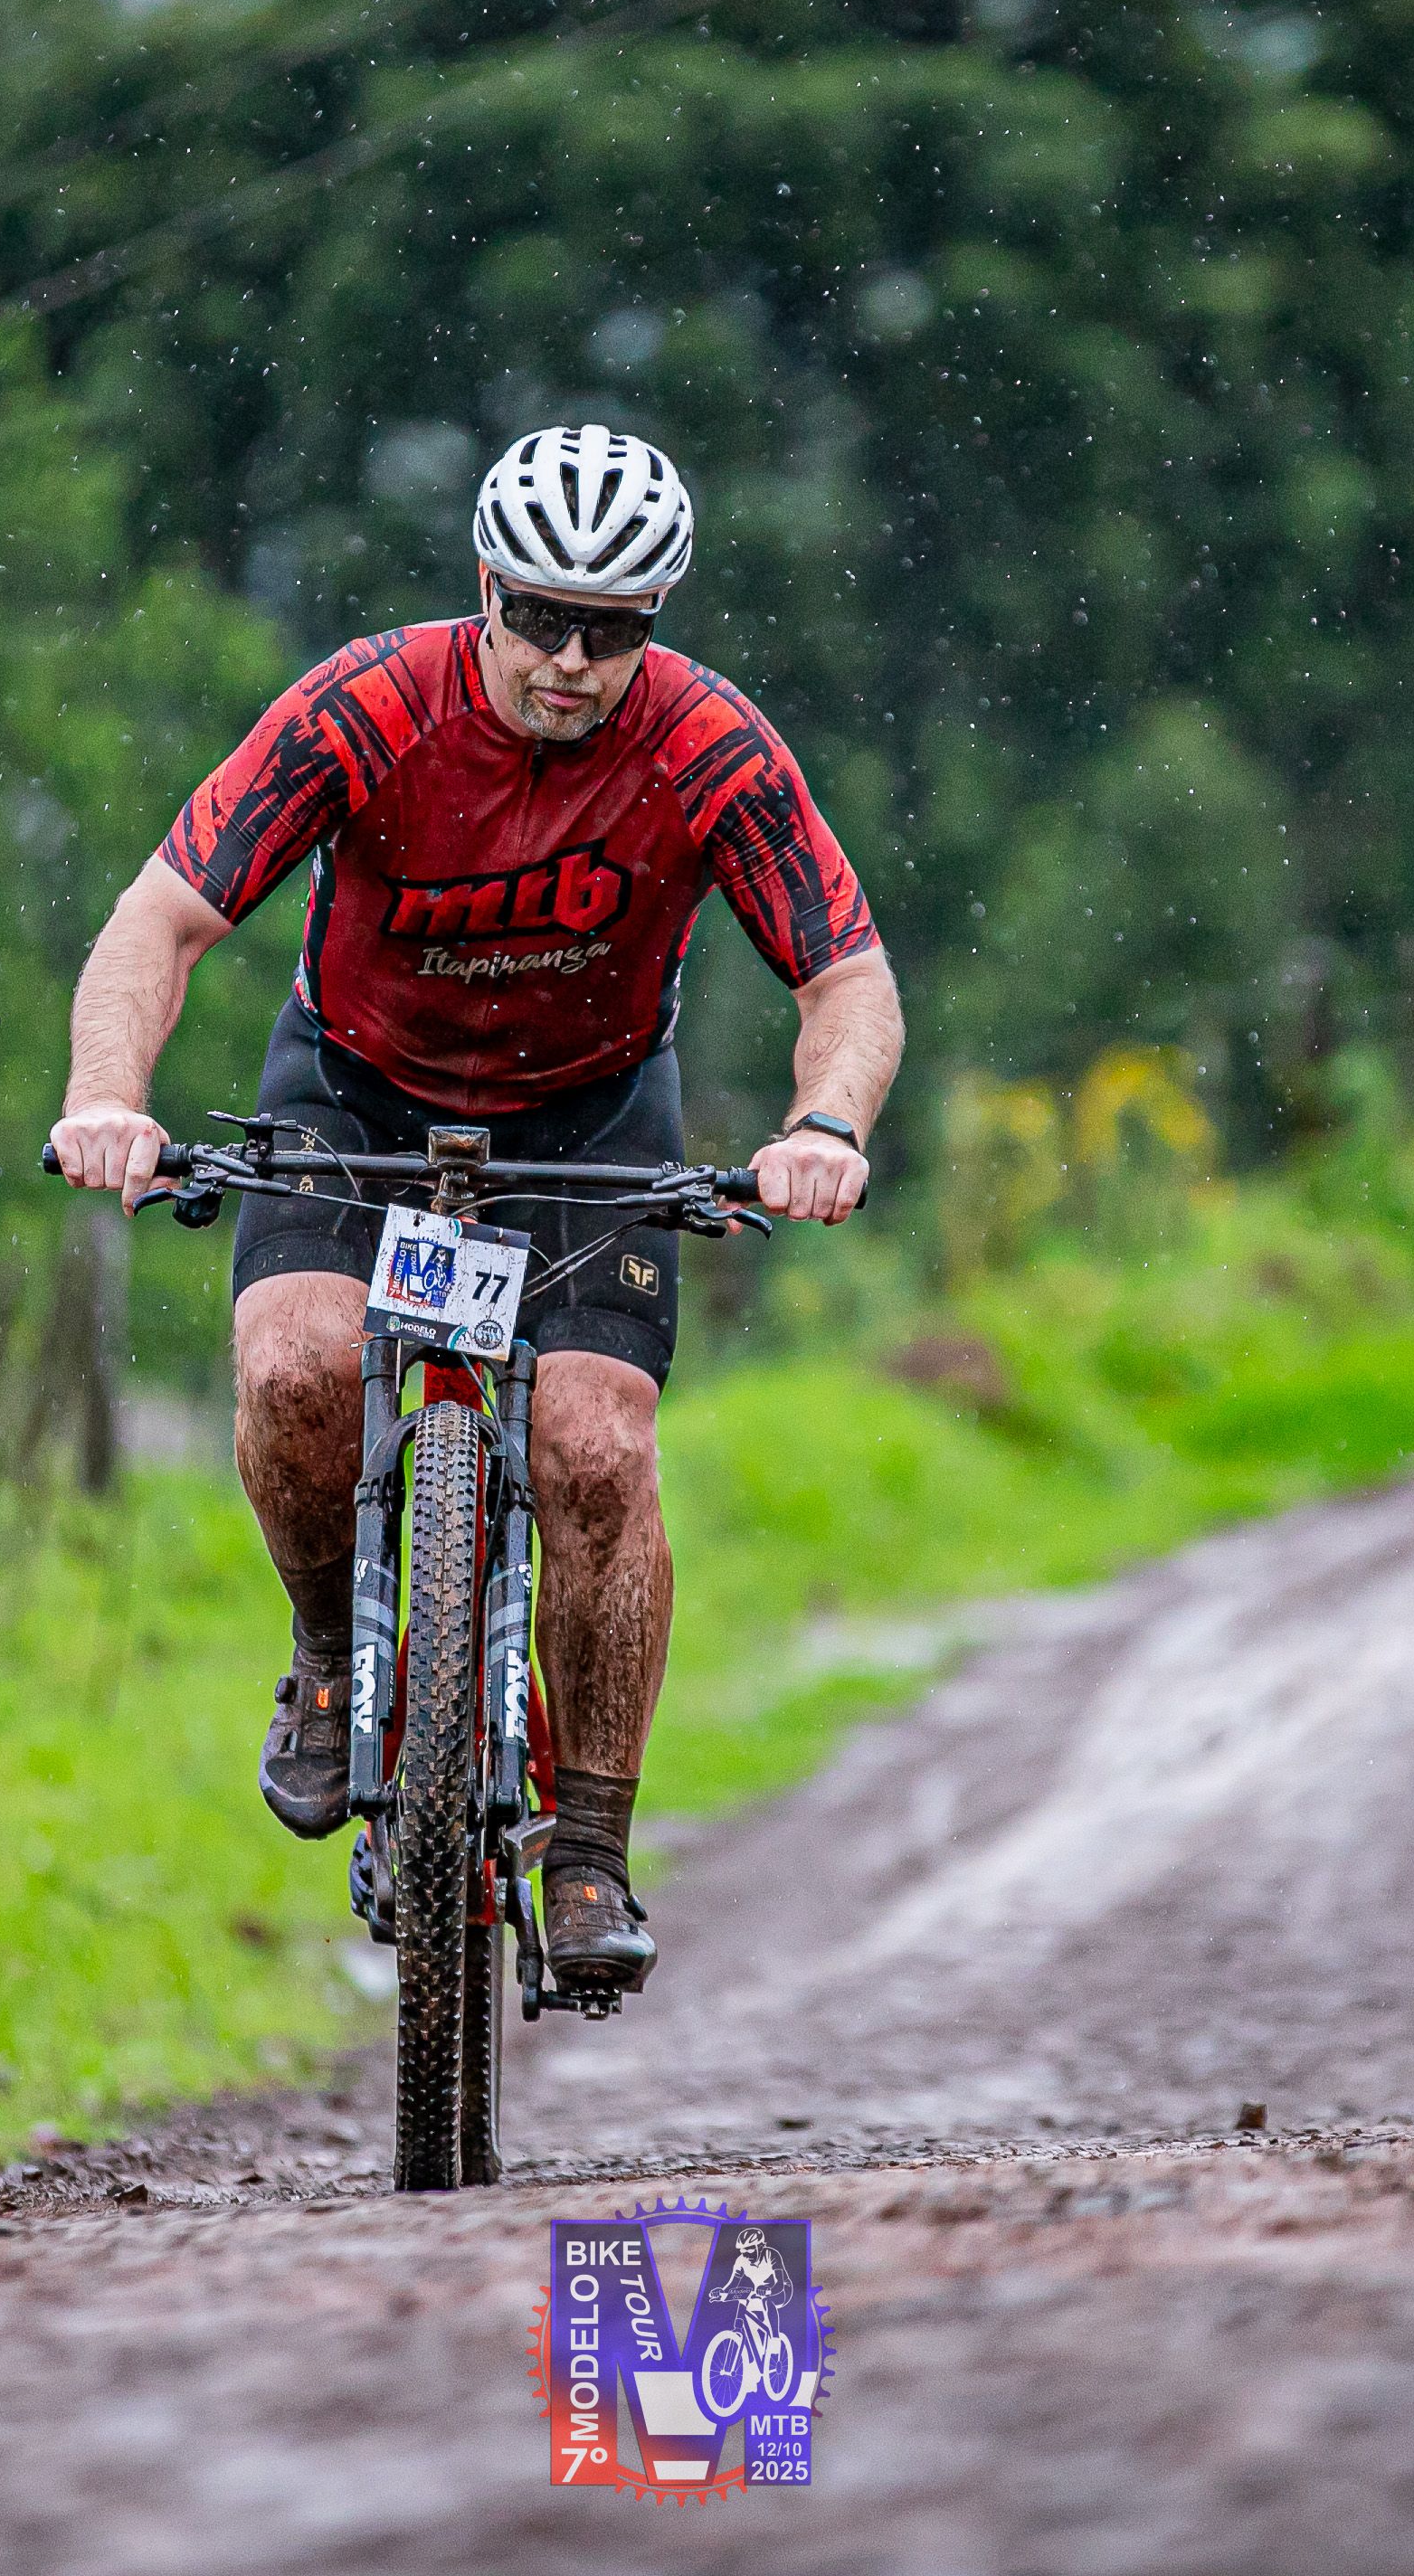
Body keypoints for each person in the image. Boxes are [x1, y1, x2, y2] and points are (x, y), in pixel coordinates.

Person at [47, 424, 900, 1999]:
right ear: (488, 589)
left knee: (597, 1449)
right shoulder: (368, 706)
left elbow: (846, 975)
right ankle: (327, 1658)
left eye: (613, 630)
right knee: (297, 1369)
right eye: (543, 618)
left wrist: (824, 1127)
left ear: (654, 623)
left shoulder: (708, 744)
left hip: (589, 1118)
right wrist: (109, 1096)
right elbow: (159, 918)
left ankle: (590, 1847)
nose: (572, 661)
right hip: (356, 1093)